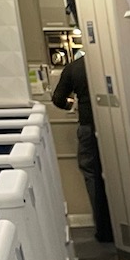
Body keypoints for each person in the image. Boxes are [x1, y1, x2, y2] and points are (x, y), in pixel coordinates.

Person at [51, 50, 114, 246]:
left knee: (92, 174)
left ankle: (104, 229)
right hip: (113, 127)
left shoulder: (73, 68)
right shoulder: (109, 62)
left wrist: (72, 105)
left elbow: (58, 99)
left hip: (87, 127)